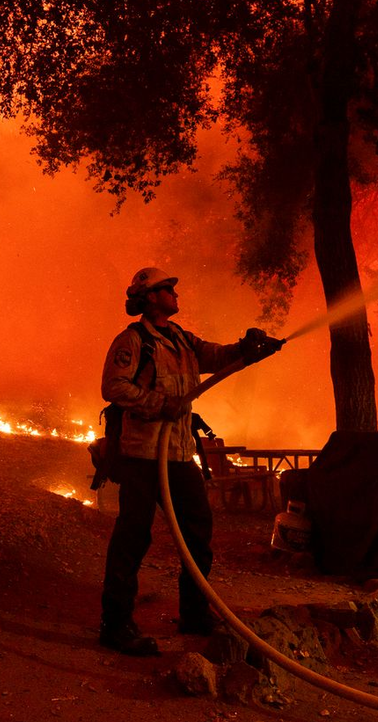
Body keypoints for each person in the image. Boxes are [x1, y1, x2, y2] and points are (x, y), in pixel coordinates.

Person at [98, 266, 281, 656]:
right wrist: (159, 403)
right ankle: (115, 625)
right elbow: (113, 387)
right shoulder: (133, 341)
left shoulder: (182, 339)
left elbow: (215, 356)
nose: (176, 294)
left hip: (179, 455)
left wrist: (246, 349)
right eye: (168, 289)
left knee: (197, 532)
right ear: (150, 297)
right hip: (142, 456)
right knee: (133, 536)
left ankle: (194, 614)